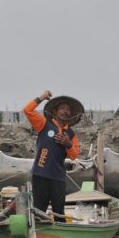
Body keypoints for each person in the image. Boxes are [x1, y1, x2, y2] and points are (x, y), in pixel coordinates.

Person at [23, 90, 82, 219]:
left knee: (59, 212)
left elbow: (74, 156)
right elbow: (27, 110)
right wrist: (42, 97)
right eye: (62, 108)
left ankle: (60, 235)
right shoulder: (44, 124)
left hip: (58, 177)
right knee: (38, 211)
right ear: (55, 111)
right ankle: (40, 234)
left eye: (68, 110)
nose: (65, 111)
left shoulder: (70, 134)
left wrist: (68, 144)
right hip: (40, 174)